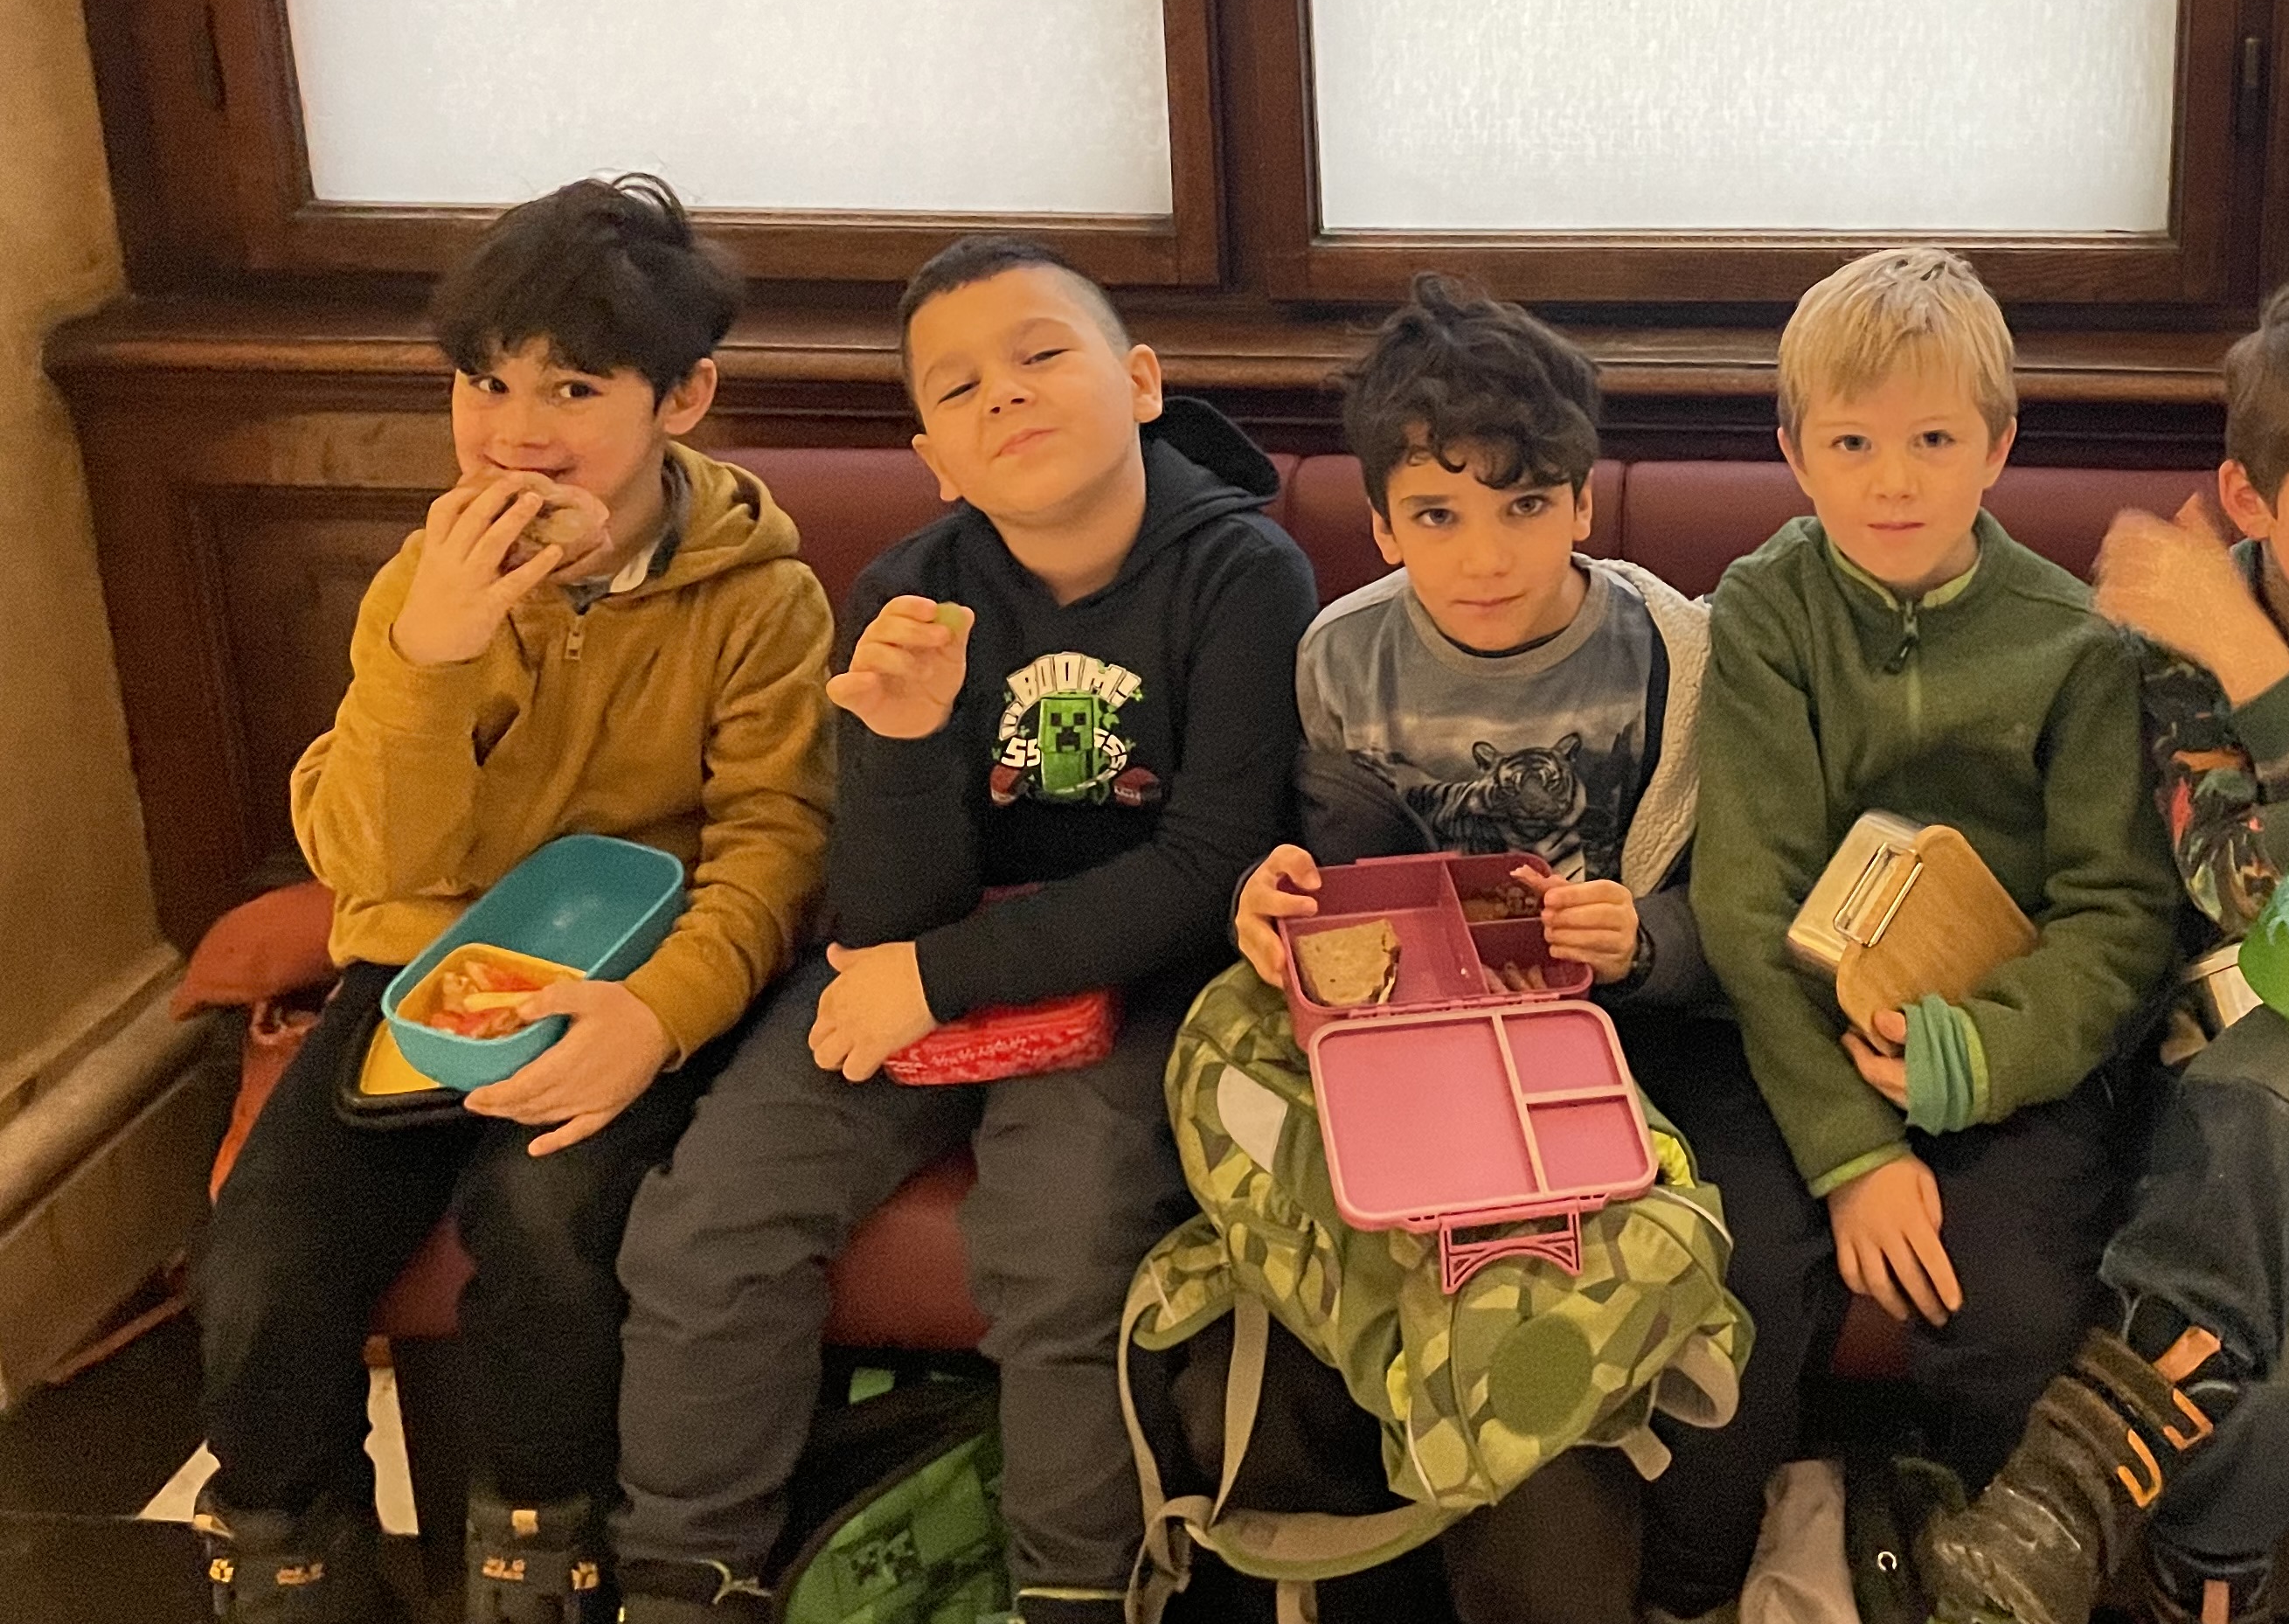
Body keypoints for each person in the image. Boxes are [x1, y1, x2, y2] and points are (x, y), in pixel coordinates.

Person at [610, 236, 1314, 1624]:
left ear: (1142, 382)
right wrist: (906, 745)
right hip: (921, 964)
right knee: (709, 1220)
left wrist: (936, 979)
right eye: (961, 386)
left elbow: (1207, 866)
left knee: (1065, 1239)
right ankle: (682, 1581)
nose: (1007, 393)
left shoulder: (1244, 573)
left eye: (1042, 354)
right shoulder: (909, 591)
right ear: (934, 455)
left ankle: (1076, 1590)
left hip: (1145, 968)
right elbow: (885, 911)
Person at [196, 175, 834, 1624]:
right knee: (259, 1257)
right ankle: (290, 1551)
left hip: (631, 980)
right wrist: (430, 657)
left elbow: (773, 850)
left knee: (549, 1230)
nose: (515, 428)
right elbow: (370, 859)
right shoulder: (428, 583)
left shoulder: (759, 597)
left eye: (573, 387)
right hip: (419, 972)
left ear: (682, 398)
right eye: (485, 382)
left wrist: (654, 1020)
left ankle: (541, 1549)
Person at [1919, 276, 2289, 1624]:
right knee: (2264, 1296)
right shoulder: (2165, 644)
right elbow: (2236, 883)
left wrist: (2257, 664)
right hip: (2214, 1050)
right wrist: (2255, 681)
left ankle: (2071, 1487)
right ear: (2251, 498)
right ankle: (2208, 1587)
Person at [1201, 274, 1765, 1624]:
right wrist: (1268, 908)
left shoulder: (1676, 655)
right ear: (1382, 526)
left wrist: (1646, 941)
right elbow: (1311, 881)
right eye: (1438, 517)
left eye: (1524, 506)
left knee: (1672, 1287)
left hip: (1614, 1047)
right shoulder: (1339, 661)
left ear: (1582, 504)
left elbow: (1744, 909)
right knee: (1319, 1268)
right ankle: (1402, 1479)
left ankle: (1602, 1508)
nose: (1486, 555)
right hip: (1409, 1057)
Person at [1689, 247, 2177, 1507]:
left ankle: (1973, 1558)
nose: (1893, 481)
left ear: (1997, 447)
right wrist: (1854, 1153)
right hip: (1802, 1036)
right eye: (1851, 445)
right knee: (1736, 1277)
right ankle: (1701, 1574)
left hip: (2010, 1043)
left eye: (1933, 441)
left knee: (2010, 1310)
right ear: (1795, 454)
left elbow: (2118, 916)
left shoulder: (2076, 643)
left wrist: (1981, 1055)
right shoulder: (1766, 611)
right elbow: (1745, 899)